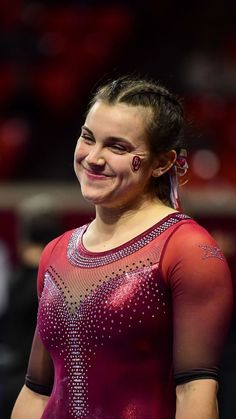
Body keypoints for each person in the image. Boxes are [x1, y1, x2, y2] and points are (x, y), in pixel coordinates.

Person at [11, 76, 233, 419]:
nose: (93, 158)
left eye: (117, 147)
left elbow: (196, 391)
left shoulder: (187, 250)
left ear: (161, 163)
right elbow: (37, 391)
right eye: (88, 138)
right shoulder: (56, 253)